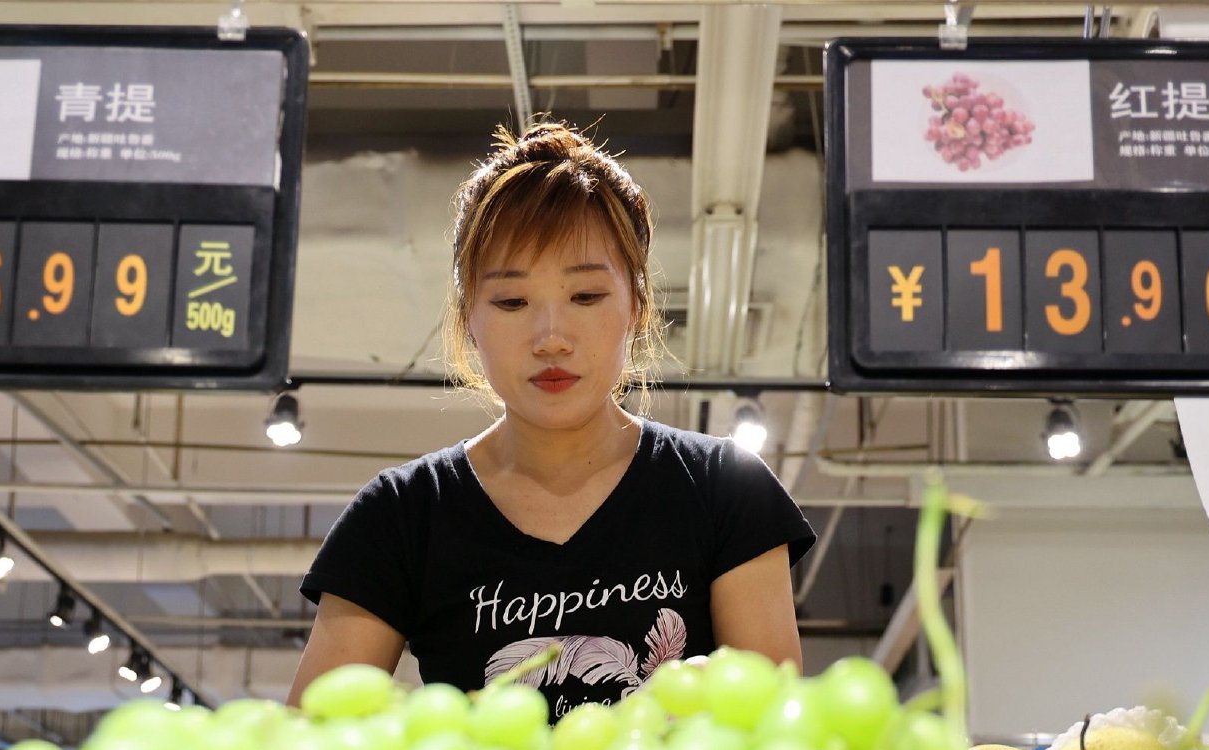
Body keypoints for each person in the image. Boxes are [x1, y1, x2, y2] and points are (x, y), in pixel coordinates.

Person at [292, 122, 816, 715]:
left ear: (637, 307)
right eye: (512, 302)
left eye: (586, 297)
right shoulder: (402, 514)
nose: (551, 339)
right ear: (469, 320)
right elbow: (310, 742)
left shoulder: (726, 489)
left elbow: (775, 735)